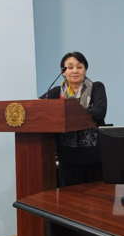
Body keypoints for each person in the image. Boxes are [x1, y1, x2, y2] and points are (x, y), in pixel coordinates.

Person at [40, 52, 107, 186]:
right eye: (70, 67)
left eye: (79, 67)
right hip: (67, 157)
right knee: (69, 196)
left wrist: (66, 113)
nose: (75, 71)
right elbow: (38, 107)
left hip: (94, 156)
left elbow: (99, 112)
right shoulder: (55, 92)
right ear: (63, 72)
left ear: (85, 70)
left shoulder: (96, 88)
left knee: (97, 196)